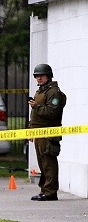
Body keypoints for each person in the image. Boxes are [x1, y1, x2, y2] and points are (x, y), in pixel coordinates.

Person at [28, 63, 66, 201]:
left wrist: (36, 106)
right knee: (42, 163)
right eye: (37, 76)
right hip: (39, 132)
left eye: (41, 75)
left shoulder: (53, 92)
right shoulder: (41, 91)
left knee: (48, 163)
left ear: (48, 76)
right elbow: (36, 115)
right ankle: (45, 189)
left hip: (48, 133)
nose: (38, 78)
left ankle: (50, 191)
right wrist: (31, 130)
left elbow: (52, 112)